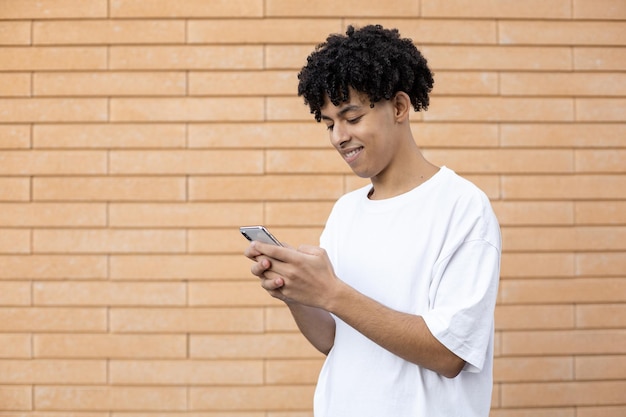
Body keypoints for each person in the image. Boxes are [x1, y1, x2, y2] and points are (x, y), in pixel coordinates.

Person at [244, 24, 501, 416]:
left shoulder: (462, 207)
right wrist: (296, 293)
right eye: (329, 123)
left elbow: (451, 354)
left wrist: (331, 292)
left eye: (351, 117)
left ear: (398, 107)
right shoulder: (346, 211)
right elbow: (335, 340)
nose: (338, 136)